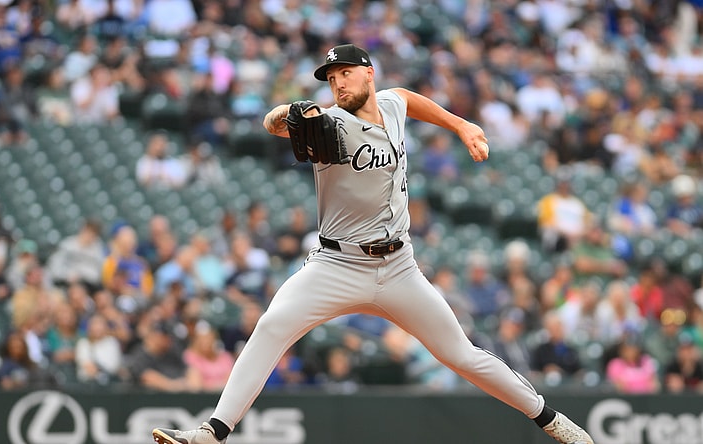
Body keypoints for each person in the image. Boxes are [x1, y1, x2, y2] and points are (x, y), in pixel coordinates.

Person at [152, 43, 593, 444]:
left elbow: (407, 98)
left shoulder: (390, 104)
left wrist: (461, 124)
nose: (337, 82)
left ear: (368, 72)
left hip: (399, 268)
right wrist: (288, 112)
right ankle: (213, 433)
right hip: (336, 266)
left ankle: (551, 420)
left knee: (462, 354)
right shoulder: (329, 123)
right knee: (270, 328)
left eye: (344, 72)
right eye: (330, 77)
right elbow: (274, 124)